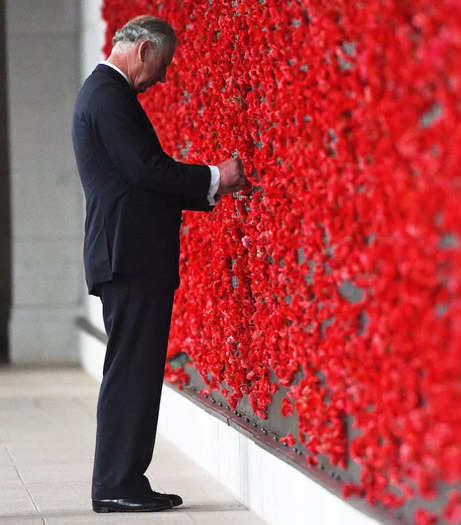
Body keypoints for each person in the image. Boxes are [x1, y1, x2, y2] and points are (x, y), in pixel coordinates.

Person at [71, 15, 248, 513]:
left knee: (134, 370)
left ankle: (122, 480)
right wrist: (218, 175)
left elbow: (137, 177)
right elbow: (144, 170)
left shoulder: (104, 93)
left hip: (126, 253)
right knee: (132, 372)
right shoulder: (108, 95)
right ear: (144, 48)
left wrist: (210, 186)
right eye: (164, 64)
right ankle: (117, 485)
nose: (165, 78)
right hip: (128, 256)